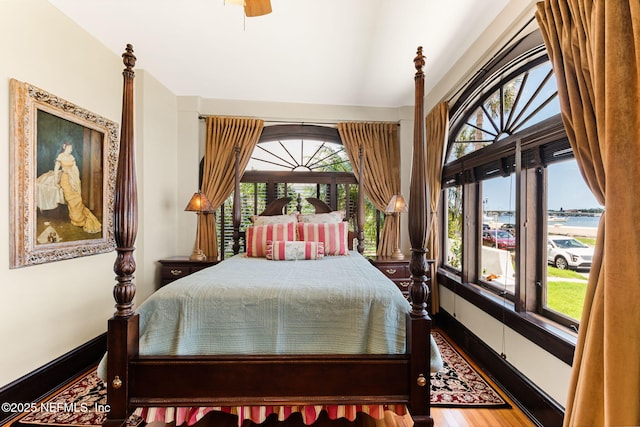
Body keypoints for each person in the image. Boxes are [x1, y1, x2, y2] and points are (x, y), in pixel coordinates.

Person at [52, 142, 102, 233]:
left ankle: (79, 219)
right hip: (65, 179)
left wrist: (75, 179)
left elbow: (75, 169)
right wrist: (56, 181)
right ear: (65, 147)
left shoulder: (71, 157)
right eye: (69, 148)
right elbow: (56, 170)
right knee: (72, 199)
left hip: (73, 179)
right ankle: (77, 220)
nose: (71, 150)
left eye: (71, 148)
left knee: (78, 198)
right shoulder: (61, 156)